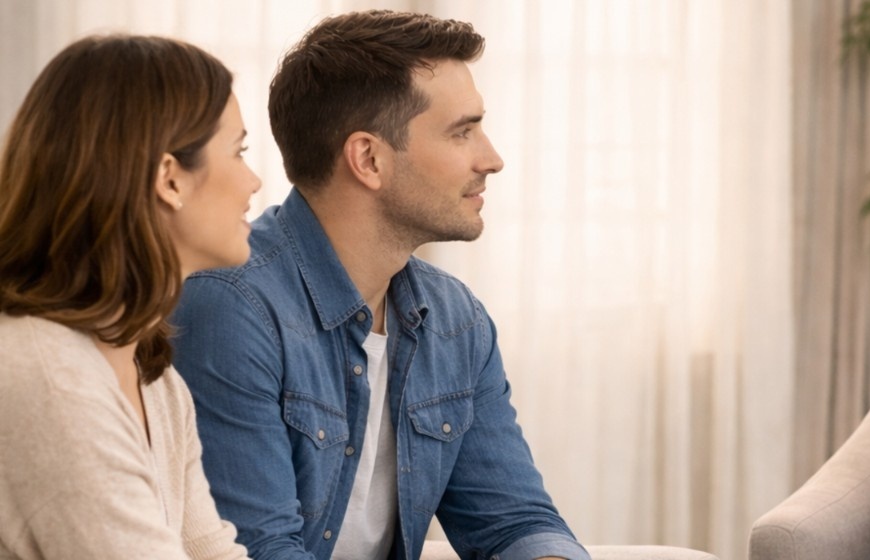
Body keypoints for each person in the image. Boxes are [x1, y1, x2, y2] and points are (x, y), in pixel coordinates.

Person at [171, 10, 588, 560]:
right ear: (368, 158)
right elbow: (259, 550)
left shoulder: (455, 318)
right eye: (463, 131)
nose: (493, 159)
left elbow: (513, 522)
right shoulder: (231, 307)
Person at [0, 34, 261, 558]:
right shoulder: (49, 378)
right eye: (239, 152)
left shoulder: (157, 383)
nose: (254, 181)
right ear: (169, 179)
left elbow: (212, 550)